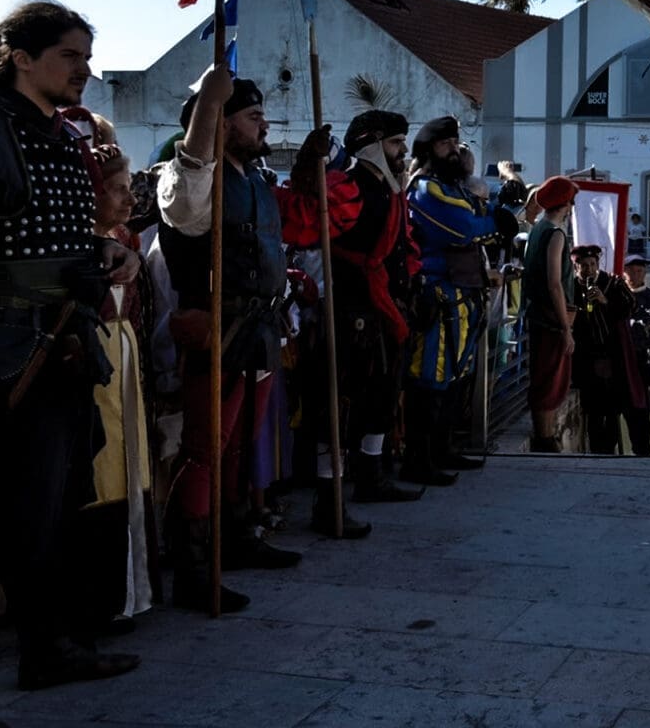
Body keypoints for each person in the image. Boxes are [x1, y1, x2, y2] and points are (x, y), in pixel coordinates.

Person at [0, 0, 141, 688]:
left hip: (61, 344)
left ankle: (48, 651)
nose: (85, 70)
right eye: (70, 55)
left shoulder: (61, 131)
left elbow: (58, 230)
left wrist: (107, 252)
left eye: (86, 55)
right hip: (1, 349)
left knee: (46, 511)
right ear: (23, 57)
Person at [160, 65, 303, 611]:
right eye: (251, 116)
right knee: (205, 451)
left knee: (243, 444)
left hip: (261, 328)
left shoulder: (257, 180)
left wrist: (310, 166)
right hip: (220, 331)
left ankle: (238, 537)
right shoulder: (191, 176)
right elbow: (186, 200)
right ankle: (193, 571)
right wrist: (208, 110)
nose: (263, 124)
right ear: (221, 124)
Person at [277, 110, 423, 512]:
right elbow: (303, 223)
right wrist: (309, 171)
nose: (402, 151)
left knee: (380, 397)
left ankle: (371, 477)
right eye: (395, 143)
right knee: (335, 409)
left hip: (383, 310)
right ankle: (329, 498)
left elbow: (404, 248)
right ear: (372, 145)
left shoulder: (390, 192)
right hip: (348, 312)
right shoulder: (348, 187)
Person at [403, 117, 505, 483]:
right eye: (446, 143)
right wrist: (492, 223)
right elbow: (462, 229)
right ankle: (418, 459)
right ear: (429, 148)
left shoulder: (455, 188)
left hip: (463, 294)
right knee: (430, 377)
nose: (456, 150)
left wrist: (490, 219)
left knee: (455, 378)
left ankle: (443, 449)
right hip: (438, 293)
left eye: (456, 143)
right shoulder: (427, 189)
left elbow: (481, 215)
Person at [80, 147, 155, 634]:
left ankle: (132, 593)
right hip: (93, 364)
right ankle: (99, 599)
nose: (130, 199)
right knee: (101, 475)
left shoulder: (124, 239)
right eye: (119, 188)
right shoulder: (78, 246)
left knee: (132, 473)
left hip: (125, 361)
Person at [521, 175, 579, 453]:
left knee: (542, 374)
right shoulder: (555, 234)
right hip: (552, 318)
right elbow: (554, 282)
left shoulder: (537, 228)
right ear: (566, 203)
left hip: (538, 314)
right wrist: (566, 328)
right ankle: (544, 438)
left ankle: (543, 434)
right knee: (551, 377)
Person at [571, 244, 636, 454]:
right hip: (585, 357)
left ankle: (609, 448)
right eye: (584, 266)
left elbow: (629, 305)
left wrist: (604, 300)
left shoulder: (613, 283)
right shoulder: (571, 287)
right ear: (577, 267)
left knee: (612, 408)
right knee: (592, 408)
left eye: (592, 264)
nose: (588, 269)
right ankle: (597, 449)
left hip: (612, 354)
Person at [621, 254, 650, 455]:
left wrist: (625, 324)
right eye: (632, 271)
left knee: (641, 411)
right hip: (619, 360)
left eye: (640, 271)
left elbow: (647, 323)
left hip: (641, 362)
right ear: (624, 272)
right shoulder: (617, 296)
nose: (636, 275)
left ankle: (642, 451)